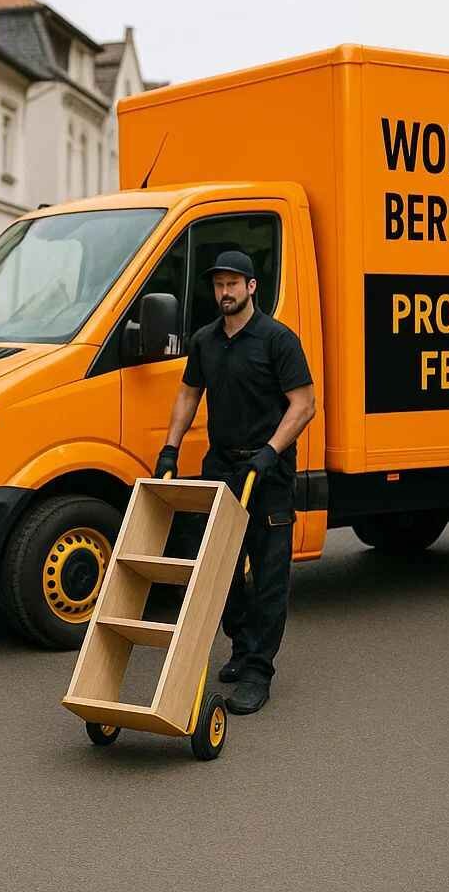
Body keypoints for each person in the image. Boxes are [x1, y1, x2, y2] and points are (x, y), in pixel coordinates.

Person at [153, 248, 316, 715]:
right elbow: (189, 393)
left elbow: (303, 404)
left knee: (267, 575)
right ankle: (242, 646)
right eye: (218, 285)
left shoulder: (277, 340)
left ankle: (258, 670)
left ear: (251, 287)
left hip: (268, 473)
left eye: (233, 284)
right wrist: (170, 448)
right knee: (219, 568)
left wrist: (268, 454)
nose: (224, 292)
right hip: (222, 467)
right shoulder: (205, 340)